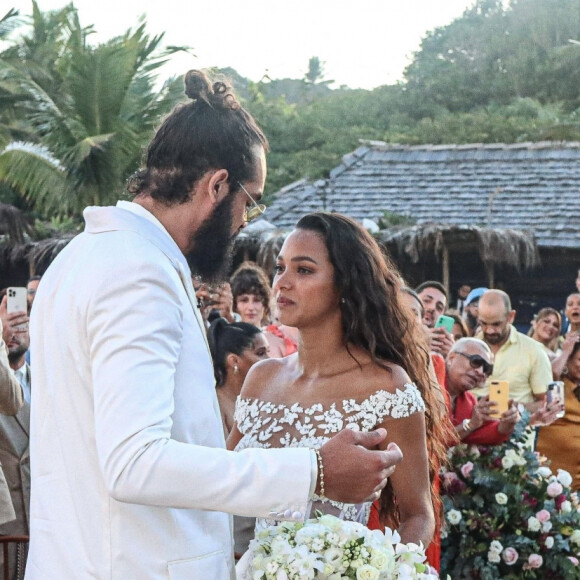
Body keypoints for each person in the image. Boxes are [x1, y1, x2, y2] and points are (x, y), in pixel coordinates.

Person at [26, 71, 402, 580]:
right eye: (250, 200)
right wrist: (313, 470)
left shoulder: (78, 259)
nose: (246, 219)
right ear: (217, 185)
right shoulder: (138, 272)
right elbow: (134, 462)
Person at [229, 212, 448, 550]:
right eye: (280, 267)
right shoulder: (261, 377)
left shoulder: (387, 387)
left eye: (303, 270)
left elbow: (418, 515)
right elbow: (223, 483)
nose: (282, 283)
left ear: (345, 284)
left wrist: (381, 570)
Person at [207, 318, 269, 559]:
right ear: (234, 361)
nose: (269, 361)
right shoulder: (209, 406)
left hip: (265, 540)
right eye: (261, 353)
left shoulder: (264, 404)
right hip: (226, 542)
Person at [472, 289, 552, 409]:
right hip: (472, 424)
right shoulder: (468, 348)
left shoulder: (533, 350)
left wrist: (516, 410)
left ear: (511, 317)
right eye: (483, 323)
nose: (489, 330)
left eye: (496, 324)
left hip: (516, 425)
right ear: (477, 314)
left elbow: (546, 403)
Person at [0, 305, 31, 579]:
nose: (12, 333)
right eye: (7, 323)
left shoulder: (48, 379)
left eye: (21, 324)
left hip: (42, 524)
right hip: (6, 529)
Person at [445, 338, 519, 445]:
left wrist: (507, 423)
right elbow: (429, 440)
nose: (480, 372)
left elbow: (483, 434)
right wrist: (470, 425)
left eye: (487, 369)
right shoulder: (429, 384)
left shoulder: (469, 401)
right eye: (476, 362)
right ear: (452, 358)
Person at [536, 340, 580, 491]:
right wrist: (566, 351)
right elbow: (551, 373)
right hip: (550, 470)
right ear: (567, 361)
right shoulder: (557, 385)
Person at [229, 261, 297, 358]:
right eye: (244, 300)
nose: (251, 307)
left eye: (257, 300)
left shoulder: (280, 337)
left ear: (265, 303)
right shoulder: (228, 339)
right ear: (235, 304)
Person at [416, 281, 454, 357]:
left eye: (439, 307)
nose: (432, 307)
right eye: (426, 301)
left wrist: (451, 356)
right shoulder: (392, 335)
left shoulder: (444, 349)